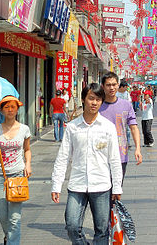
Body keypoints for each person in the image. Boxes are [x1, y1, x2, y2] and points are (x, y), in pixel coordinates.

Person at [51, 84, 122, 245]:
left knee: (102, 230)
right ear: (83, 100)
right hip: (77, 185)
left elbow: (115, 159)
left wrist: (117, 187)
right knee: (72, 226)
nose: (94, 103)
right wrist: (56, 185)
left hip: (101, 185)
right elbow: (63, 157)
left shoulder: (108, 127)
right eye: (91, 98)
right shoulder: (73, 127)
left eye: (98, 99)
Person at [0, 96, 32, 245]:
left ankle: (12, 241)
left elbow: (27, 150)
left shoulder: (24, 129)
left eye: (13, 107)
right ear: (2, 110)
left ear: (17, 109)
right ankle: (8, 236)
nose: (10, 110)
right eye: (7, 107)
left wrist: (28, 164)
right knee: (2, 215)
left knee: (15, 218)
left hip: (18, 176)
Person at [99, 72, 142, 180]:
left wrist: (137, 148)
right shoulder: (97, 105)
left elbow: (133, 127)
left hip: (120, 154)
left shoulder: (126, 105)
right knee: (102, 192)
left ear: (118, 85)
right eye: (108, 85)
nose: (112, 88)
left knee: (116, 191)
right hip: (100, 154)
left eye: (114, 84)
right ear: (102, 86)